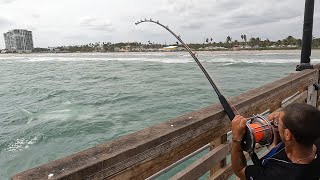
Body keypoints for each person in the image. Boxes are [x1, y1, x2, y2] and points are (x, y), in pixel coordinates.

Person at [231, 103, 320, 180]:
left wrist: (236, 139)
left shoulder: (274, 175)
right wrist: (284, 115)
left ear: (287, 134)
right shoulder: (312, 139)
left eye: (278, 122)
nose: (275, 122)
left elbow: (240, 170)